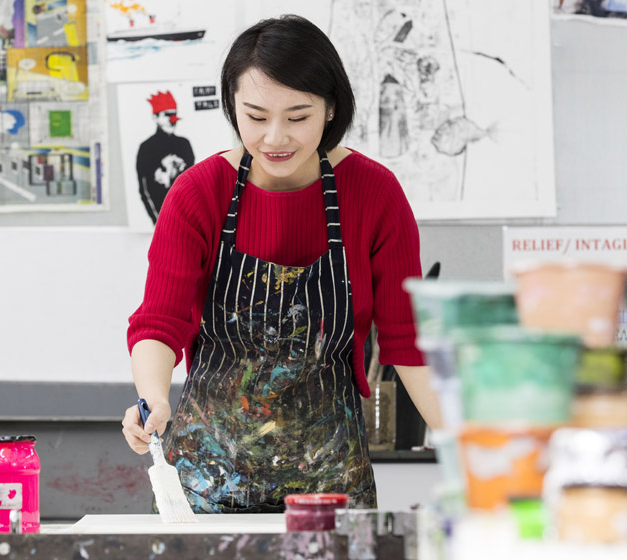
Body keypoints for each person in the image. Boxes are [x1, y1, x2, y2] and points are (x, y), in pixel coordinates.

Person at [123, 14, 441, 513]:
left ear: (330, 109)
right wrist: (154, 397)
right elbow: (160, 323)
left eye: (298, 117)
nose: (275, 137)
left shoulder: (374, 193)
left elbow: (407, 341)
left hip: (331, 484)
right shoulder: (198, 193)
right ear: (232, 106)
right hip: (207, 484)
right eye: (255, 116)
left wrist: (468, 446)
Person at [136, 90, 195, 223]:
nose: (172, 119)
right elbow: (143, 190)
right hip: (161, 220)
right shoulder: (146, 148)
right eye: (166, 115)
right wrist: (157, 222)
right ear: (155, 118)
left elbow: (194, 186)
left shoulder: (184, 145)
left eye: (174, 114)